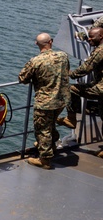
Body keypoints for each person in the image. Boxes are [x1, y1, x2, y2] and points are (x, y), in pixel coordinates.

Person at [18, 33, 71, 169]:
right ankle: (50, 145)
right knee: (50, 124)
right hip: (62, 100)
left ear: (36, 44)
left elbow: (22, 78)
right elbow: (67, 70)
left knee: (42, 129)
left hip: (45, 102)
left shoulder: (35, 61)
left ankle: (45, 160)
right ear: (51, 41)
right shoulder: (63, 56)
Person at [59, 27, 103, 155]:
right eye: (88, 36)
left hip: (101, 88)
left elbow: (86, 68)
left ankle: (71, 118)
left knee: (71, 89)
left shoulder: (100, 50)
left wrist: (70, 74)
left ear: (101, 36)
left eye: (92, 37)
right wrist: (80, 35)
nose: (89, 39)